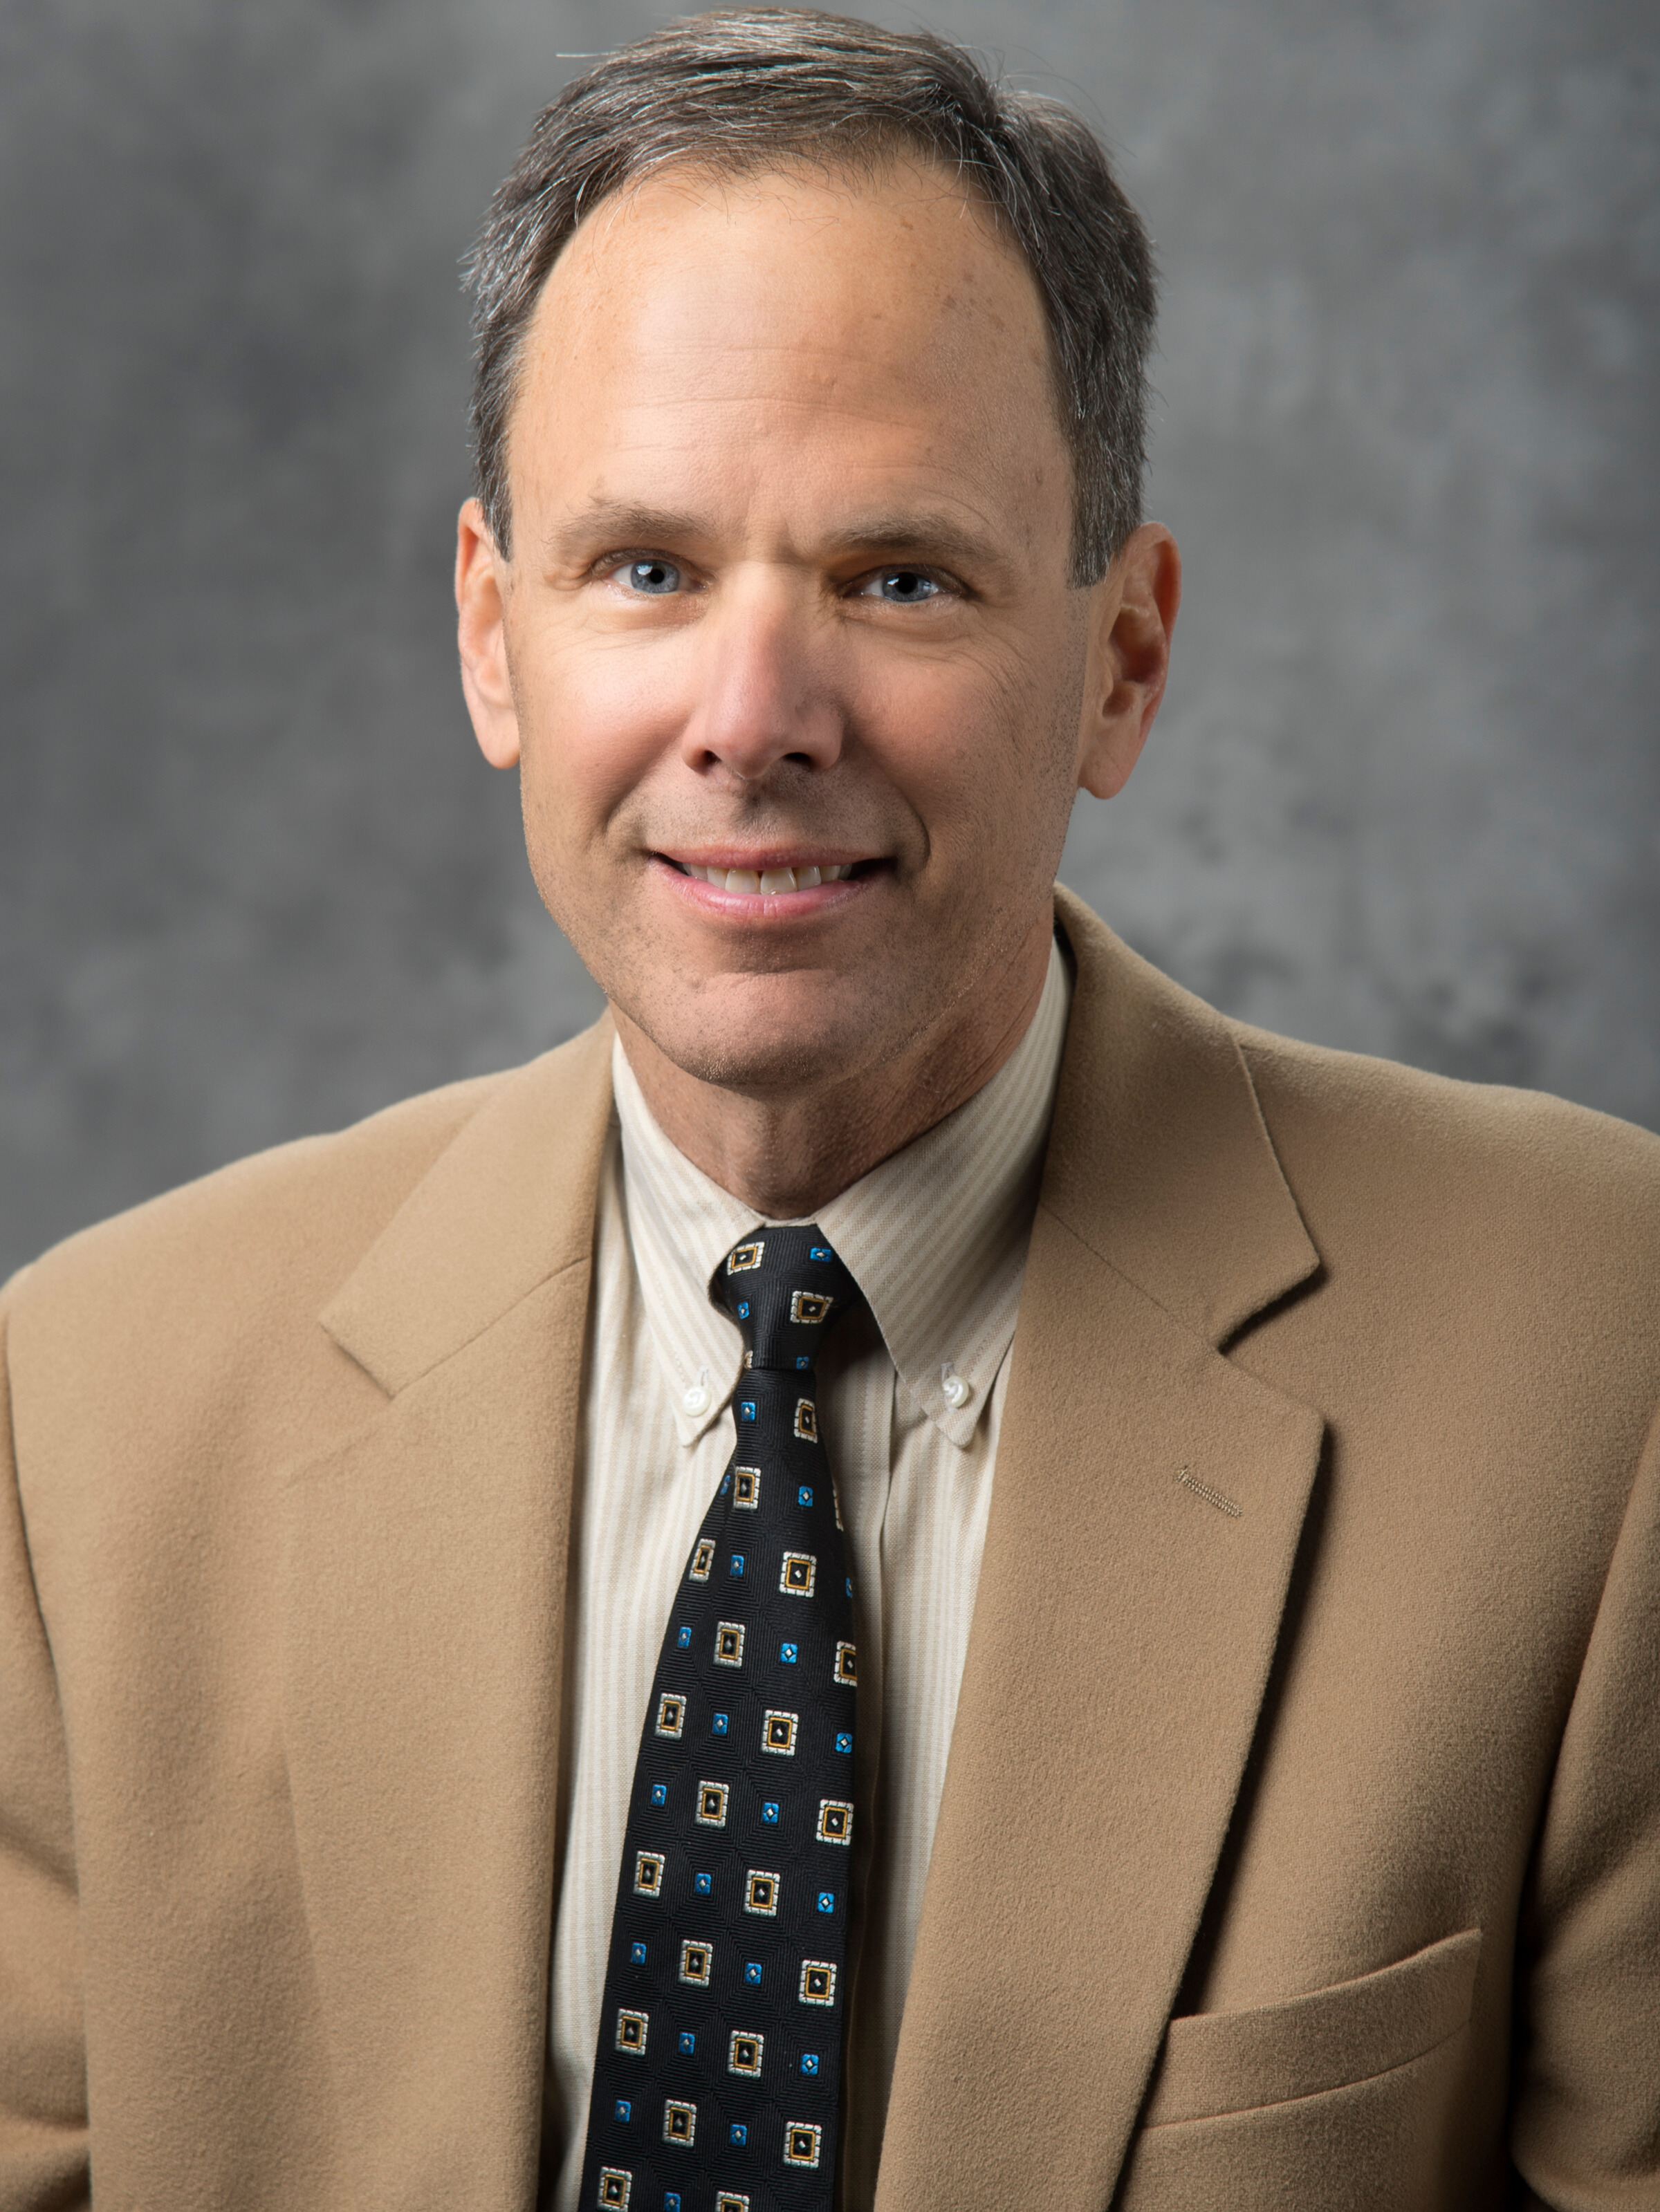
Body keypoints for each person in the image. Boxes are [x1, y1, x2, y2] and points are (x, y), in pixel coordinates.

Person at [2, 10, 1657, 2209]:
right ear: (499, 638)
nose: (755, 719)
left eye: (898, 577)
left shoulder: (1600, 1372)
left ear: (1124, 660)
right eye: (648, 571)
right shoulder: (86, 1418)